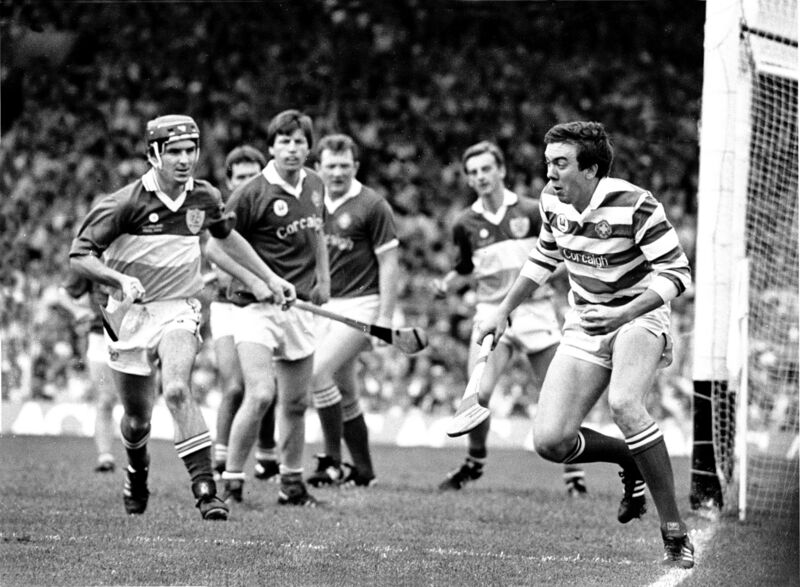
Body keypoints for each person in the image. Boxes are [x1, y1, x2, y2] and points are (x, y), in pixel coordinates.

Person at [475, 121, 694, 569]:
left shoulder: (637, 204)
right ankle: (629, 460)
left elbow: (677, 274)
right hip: (585, 320)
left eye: (560, 163)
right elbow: (543, 257)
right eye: (548, 162)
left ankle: (674, 531)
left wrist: (624, 314)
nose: (550, 173)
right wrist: (503, 310)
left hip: (638, 315)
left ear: (591, 169)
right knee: (551, 441)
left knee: (625, 404)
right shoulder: (552, 202)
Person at [69, 114, 294, 521]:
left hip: (179, 307)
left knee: (175, 389)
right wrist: (117, 278)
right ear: (154, 154)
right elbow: (80, 255)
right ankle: (136, 474)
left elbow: (227, 236)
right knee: (136, 421)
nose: (184, 159)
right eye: (174, 151)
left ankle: (207, 490)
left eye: (190, 150)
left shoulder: (203, 196)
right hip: (129, 315)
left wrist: (271, 278)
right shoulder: (124, 203)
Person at [434, 141, 586, 496]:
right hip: (491, 313)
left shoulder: (533, 211)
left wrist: (546, 275)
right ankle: (475, 462)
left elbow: (561, 254)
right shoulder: (464, 224)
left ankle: (574, 476)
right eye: (473, 172)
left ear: (500, 170)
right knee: (479, 393)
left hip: (535, 311)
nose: (480, 177)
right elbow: (465, 269)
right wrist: (446, 284)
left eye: (486, 169)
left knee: (557, 396)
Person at [208, 109, 330, 507]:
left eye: (299, 142)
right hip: (254, 309)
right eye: (284, 141)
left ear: (309, 148)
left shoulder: (315, 184)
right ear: (271, 147)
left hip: (299, 307)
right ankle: (232, 481)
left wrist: (324, 280)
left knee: (296, 402)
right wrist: (259, 284)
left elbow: (318, 232)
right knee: (260, 394)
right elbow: (216, 247)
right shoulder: (251, 193)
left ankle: (291, 485)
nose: (292, 149)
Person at [304, 134, 400, 488]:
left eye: (345, 165)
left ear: (356, 167)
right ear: (317, 168)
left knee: (317, 374)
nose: (338, 172)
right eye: (331, 165)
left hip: (362, 304)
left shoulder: (373, 205)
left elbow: (389, 263)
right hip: (323, 306)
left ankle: (331, 461)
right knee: (345, 389)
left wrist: (385, 317)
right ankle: (363, 470)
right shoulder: (311, 201)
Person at [209, 145, 279, 483]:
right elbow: (223, 275)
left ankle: (267, 457)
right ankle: (220, 460)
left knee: (265, 387)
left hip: (259, 306)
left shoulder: (271, 216)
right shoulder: (221, 216)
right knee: (235, 387)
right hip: (227, 308)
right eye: (240, 177)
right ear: (228, 181)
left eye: (254, 176)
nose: (247, 183)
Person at [57, 271, 118, 473]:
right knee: (105, 398)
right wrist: (77, 311)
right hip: (99, 338)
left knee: (135, 404)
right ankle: (105, 457)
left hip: (133, 338)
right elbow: (62, 294)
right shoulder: (92, 259)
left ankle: (138, 460)